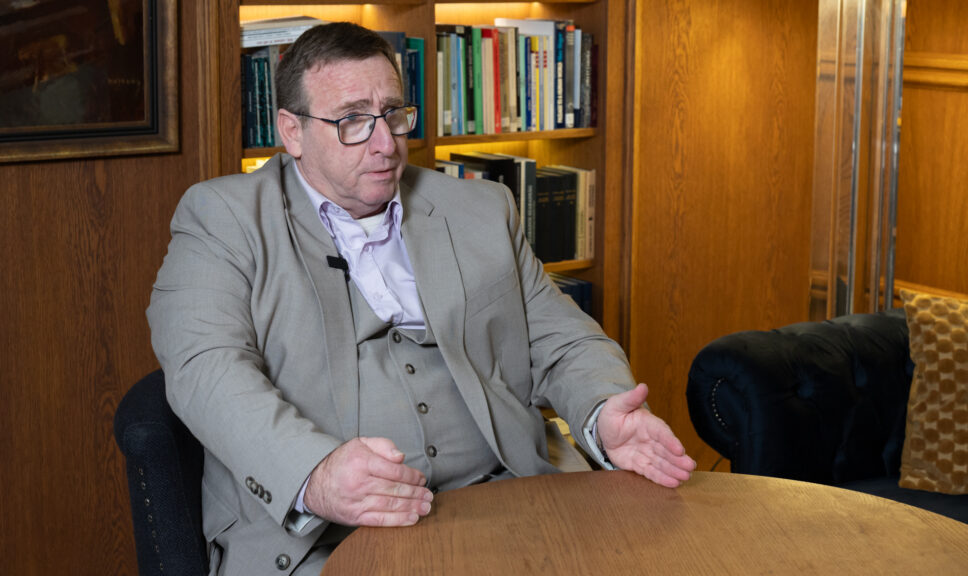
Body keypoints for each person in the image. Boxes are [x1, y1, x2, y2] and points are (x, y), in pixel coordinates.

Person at [148, 22, 696, 576]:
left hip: (508, 498)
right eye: (353, 120)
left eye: (393, 114)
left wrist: (602, 413)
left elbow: (560, 338)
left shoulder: (481, 208)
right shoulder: (222, 218)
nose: (386, 144)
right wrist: (315, 475)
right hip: (326, 537)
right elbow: (205, 368)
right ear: (293, 131)